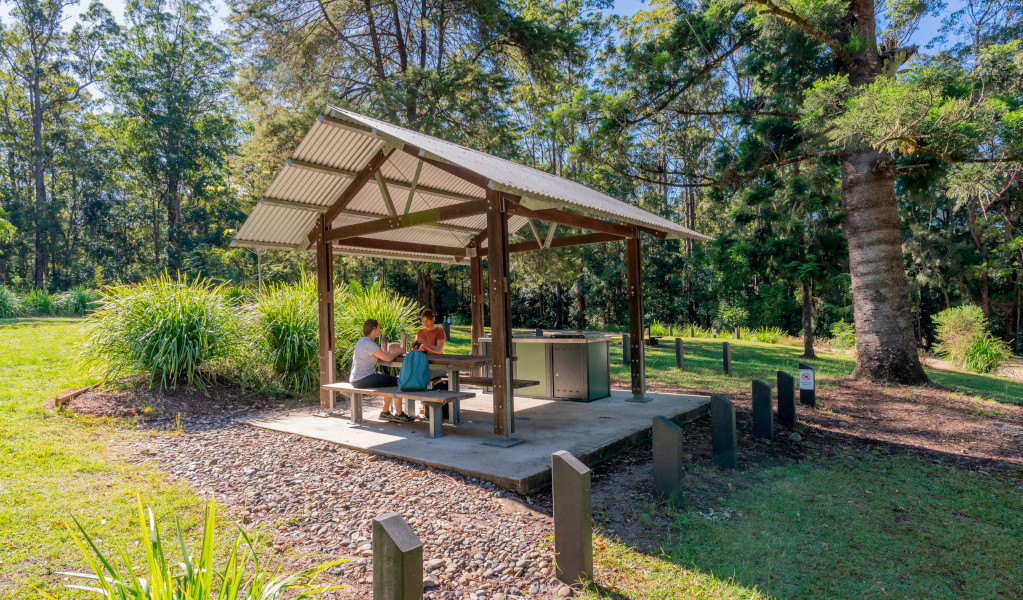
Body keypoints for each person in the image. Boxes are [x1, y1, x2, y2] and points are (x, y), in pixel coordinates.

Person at [350, 319, 413, 422]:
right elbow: (388, 358)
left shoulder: (362, 341)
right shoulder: (368, 343)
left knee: (385, 380)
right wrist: (399, 351)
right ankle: (399, 414)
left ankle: (385, 412)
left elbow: (382, 356)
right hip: (363, 378)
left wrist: (391, 353)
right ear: (374, 329)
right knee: (398, 382)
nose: (380, 330)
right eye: (378, 328)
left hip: (357, 378)